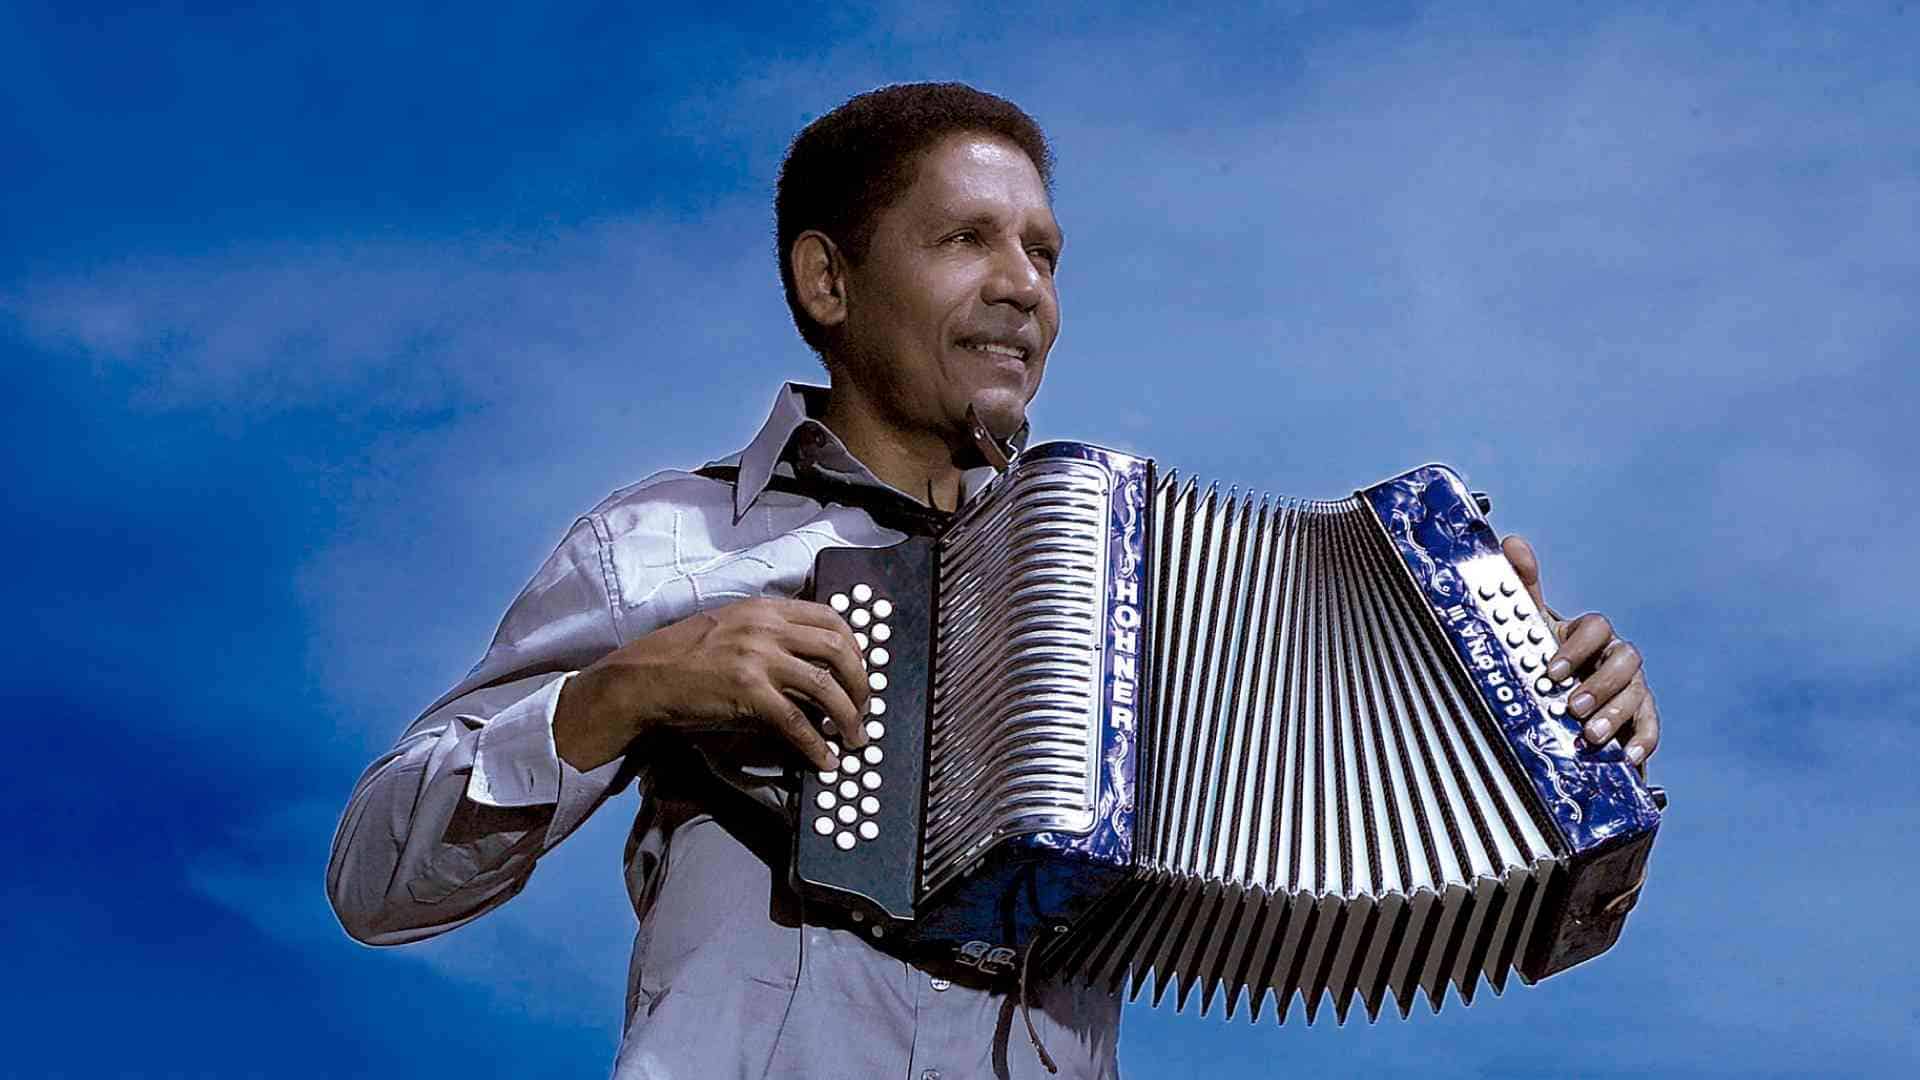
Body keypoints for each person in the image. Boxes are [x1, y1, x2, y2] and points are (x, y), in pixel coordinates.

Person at [326, 82, 1661, 1080]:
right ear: (829, 280)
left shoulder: (1150, 609)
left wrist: (1531, 729)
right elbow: (375, 879)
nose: (1022, 287)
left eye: (1046, 252)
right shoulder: (668, 545)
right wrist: (614, 697)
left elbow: (1444, 880)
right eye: (968, 239)